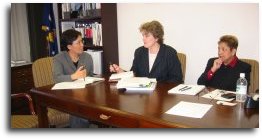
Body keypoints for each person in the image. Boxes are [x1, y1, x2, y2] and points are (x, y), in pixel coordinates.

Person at [110, 20, 183, 83]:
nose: (143, 39)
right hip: (143, 95)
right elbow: (134, 74)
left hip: (162, 96)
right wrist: (121, 72)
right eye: (143, 36)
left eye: (147, 36)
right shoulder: (139, 52)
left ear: (157, 37)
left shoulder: (169, 53)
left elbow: (177, 79)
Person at [53, 29, 93, 128]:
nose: (82, 44)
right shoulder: (58, 58)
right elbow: (57, 78)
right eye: (78, 42)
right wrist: (74, 76)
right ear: (69, 46)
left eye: (82, 41)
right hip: (65, 97)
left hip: (84, 95)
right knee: (79, 110)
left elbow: (90, 75)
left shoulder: (87, 57)